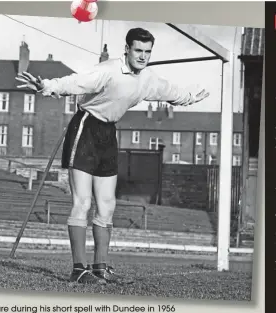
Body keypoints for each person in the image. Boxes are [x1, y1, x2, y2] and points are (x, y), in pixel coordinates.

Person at [15, 27, 209, 285]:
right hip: (85, 128)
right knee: (82, 202)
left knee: (107, 205)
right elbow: (76, 82)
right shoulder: (108, 70)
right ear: (127, 49)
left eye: (147, 52)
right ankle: (78, 269)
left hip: (108, 134)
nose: (142, 56)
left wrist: (190, 98)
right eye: (138, 50)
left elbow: (170, 92)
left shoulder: (147, 79)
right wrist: (46, 86)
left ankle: (100, 268)